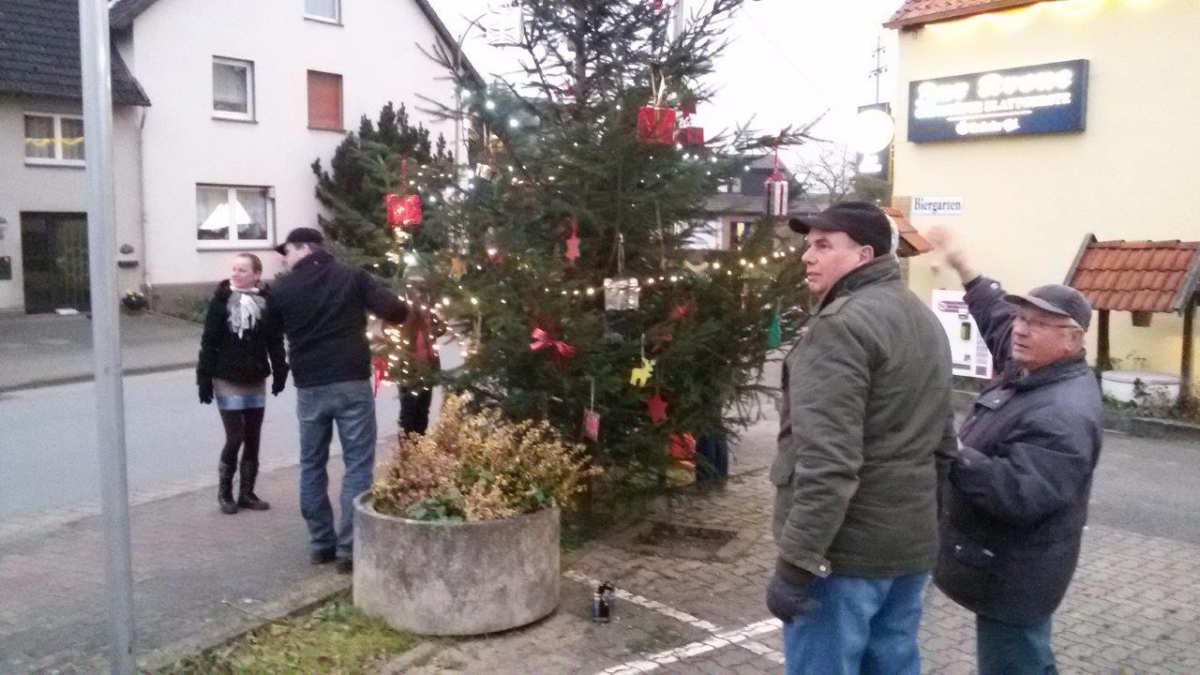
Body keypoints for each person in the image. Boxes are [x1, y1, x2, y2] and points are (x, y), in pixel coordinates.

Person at [766, 202, 954, 675]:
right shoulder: (923, 318)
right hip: (907, 549)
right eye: (808, 244)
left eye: (824, 245)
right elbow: (945, 442)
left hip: (843, 556)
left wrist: (795, 565)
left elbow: (828, 464)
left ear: (864, 255)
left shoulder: (841, 327)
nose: (807, 256)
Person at [930, 228, 1103, 675]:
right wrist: (965, 266)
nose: (1021, 329)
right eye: (1022, 317)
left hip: (1016, 578)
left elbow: (1020, 493)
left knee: (1016, 662)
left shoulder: (1063, 412)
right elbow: (994, 317)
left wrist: (953, 449)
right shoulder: (1038, 366)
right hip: (1009, 571)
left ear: (1073, 338)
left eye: (1037, 323)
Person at [266, 227, 409, 574]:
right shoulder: (351, 276)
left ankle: (321, 545)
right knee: (358, 464)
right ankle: (349, 549)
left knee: (312, 463)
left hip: (311, 386)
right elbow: (395, 310)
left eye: (286, 251)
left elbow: (268, 331)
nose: (284, 258)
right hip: (351, 381)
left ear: (303, 248)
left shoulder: (282, 287)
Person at [196, 253, 288, 515]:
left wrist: (280, 370)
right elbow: (209, 342)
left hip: (255, 377)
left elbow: (274, 340)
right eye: (234, 270)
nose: (236, 274)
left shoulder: (268, 303)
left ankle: (247, 493)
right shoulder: (221, 301)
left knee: (253, 436)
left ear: (257, 274)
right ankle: (225, 492)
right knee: (235, 436)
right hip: (226, 377)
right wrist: (203, 378)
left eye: (243, 270)